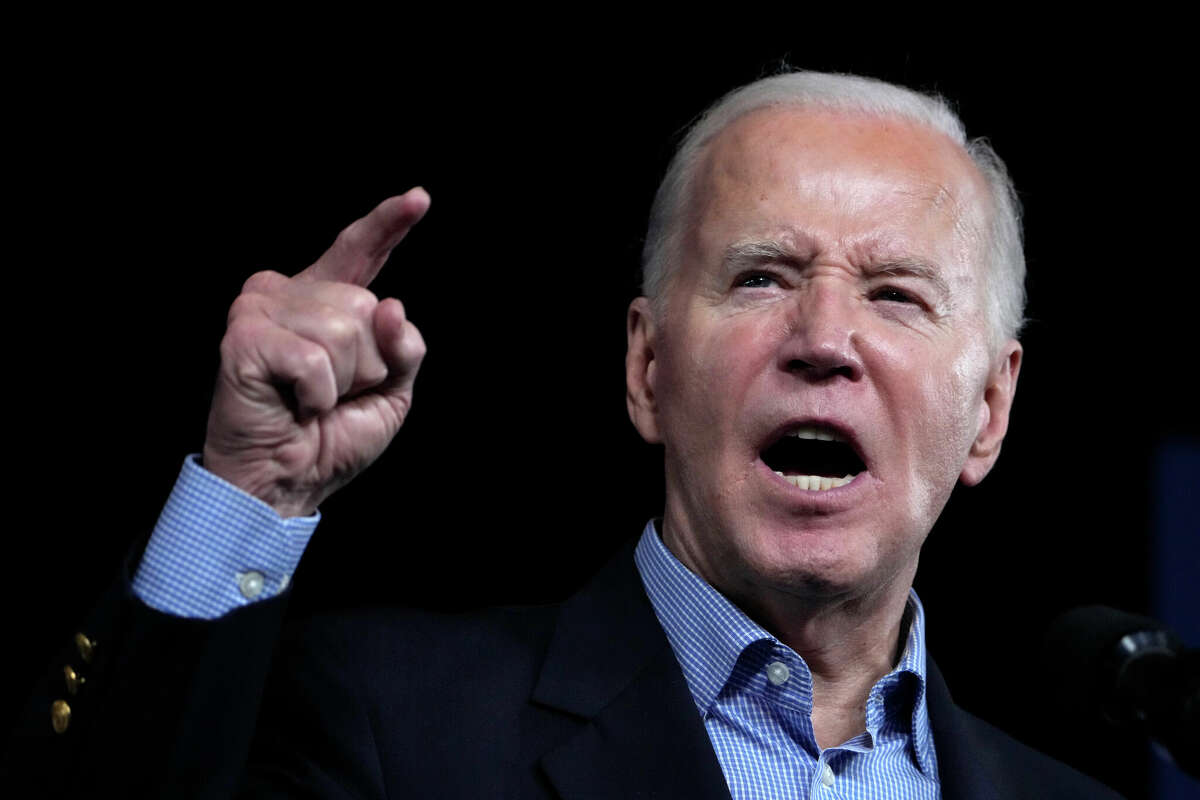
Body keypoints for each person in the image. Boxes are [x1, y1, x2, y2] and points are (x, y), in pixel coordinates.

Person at [8, 70, 1123, 798]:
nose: (823, 337)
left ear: (989, 412)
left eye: (895, 295)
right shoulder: (395, 723)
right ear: (646, 367)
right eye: (759, 276)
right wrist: (248, 484)